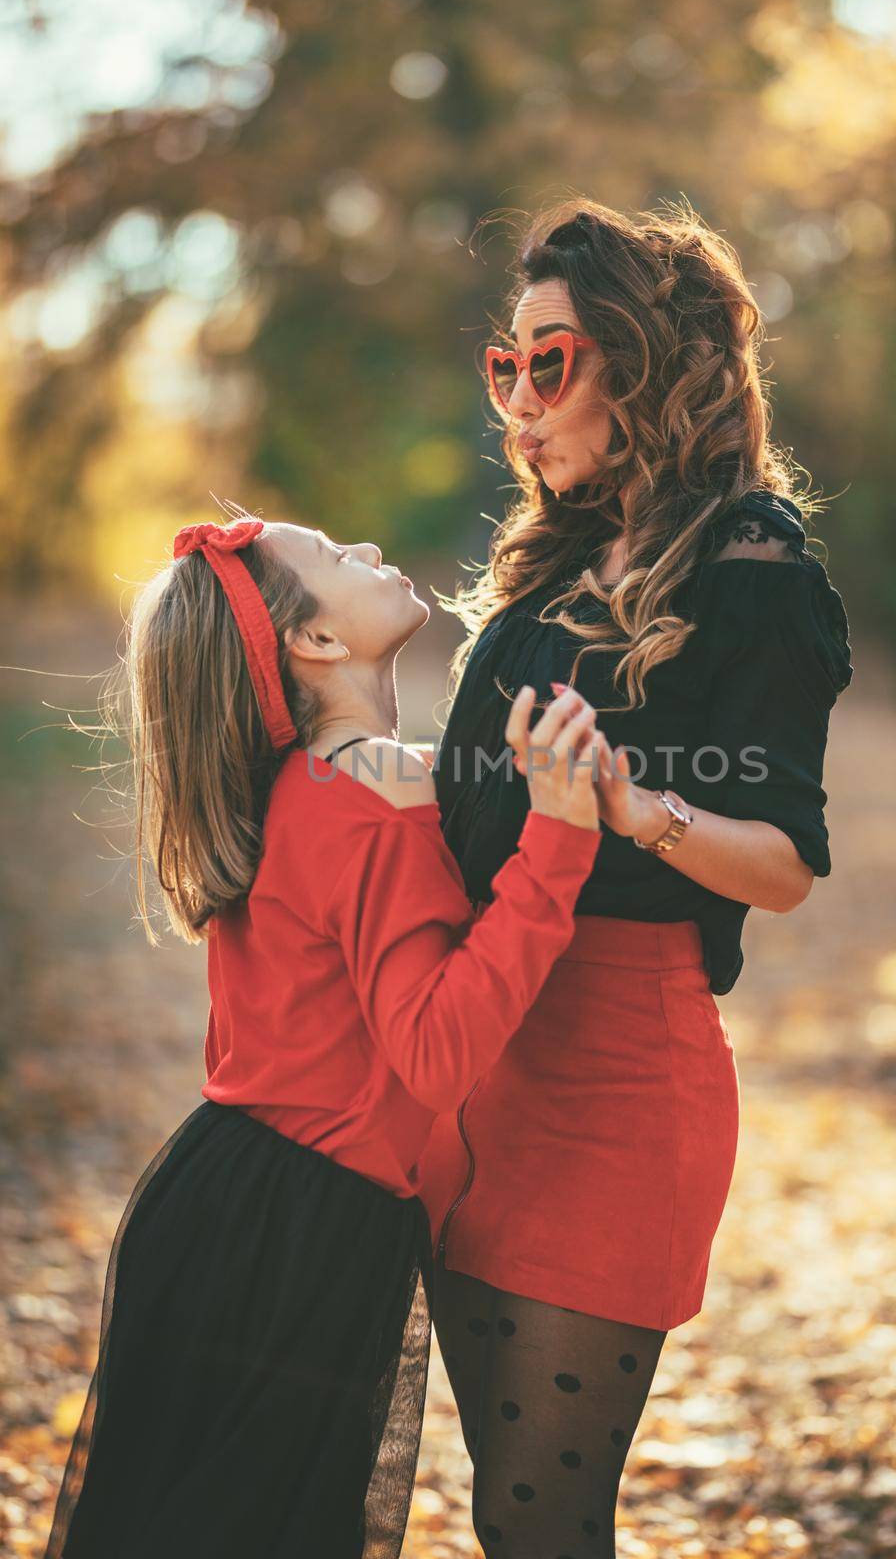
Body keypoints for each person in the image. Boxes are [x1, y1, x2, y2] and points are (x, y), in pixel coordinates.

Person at [416, 200, 855, 1556]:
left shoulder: (749, 558)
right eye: (508, 364)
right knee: (504, 1516)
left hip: (615, 1080)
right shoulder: (543, 567)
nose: (520, 399)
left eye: (549, 360)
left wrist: (623, 803)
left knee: (548, 1527)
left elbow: (780, 866)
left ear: (644, 363)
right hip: (473, 1062)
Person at [44, 511, 603, 1559]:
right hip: (295, 1225)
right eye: (332, 557)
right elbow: (434, 1051)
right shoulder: (374, 789)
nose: (366, 552)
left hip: (228, 1202)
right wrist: (558, 844)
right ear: (313, 643)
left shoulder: (313, 781)